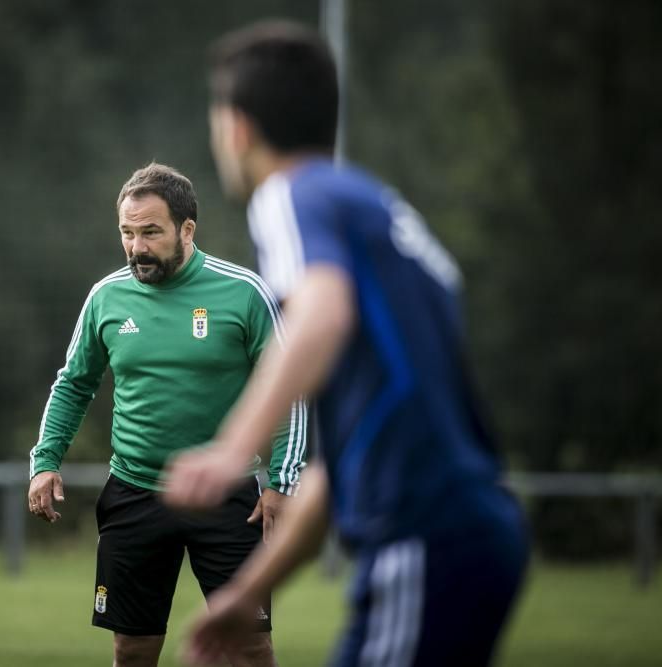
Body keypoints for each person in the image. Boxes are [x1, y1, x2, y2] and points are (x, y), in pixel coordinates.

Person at [163, 21, 528, 667]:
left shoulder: (291, 195)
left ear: (238, 128)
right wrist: (248, 591)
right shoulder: (376, 212)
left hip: (424, 536)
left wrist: (233, 448)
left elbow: (320, 314)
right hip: (471, 533)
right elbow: (332, 474)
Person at [28, 162, 307, 667]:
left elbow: (289, 391)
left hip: (229, 497)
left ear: (187, 229)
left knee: (248, 645)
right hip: (134, 492)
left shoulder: (244, 292)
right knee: (132, 650)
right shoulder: (106, 297)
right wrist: (45, 460)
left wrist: (282, 484)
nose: (137, 247)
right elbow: (73, 384)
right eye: (127, 233)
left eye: (151, 232)